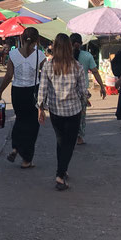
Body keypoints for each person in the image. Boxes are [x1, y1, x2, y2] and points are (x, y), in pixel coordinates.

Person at [38, 33, 89, 191]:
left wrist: (40, 108)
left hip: (55, 111)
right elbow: (82, 90)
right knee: (69, 144)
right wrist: (86, 97)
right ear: (69, 47)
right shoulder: (77, 66)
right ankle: (60, 176)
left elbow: (43, 89)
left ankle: (62, 170)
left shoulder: (47, 66)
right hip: (73, 111)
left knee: (61, 142)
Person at [0, 27, 45, 169]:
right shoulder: (40, 55)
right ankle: (26, 159)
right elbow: (46, 76)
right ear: (37, 41)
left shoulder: (13, 54)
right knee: (32, 126)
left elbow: (9, 76)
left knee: (20, 120)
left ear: (21, 39)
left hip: (17, 93)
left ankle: (16, 147)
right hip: (33, 92)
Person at [70, 33, 106, 145]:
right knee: (81, 115)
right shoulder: (87, 56)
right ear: (81, 44)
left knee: (68, 114)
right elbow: (95, 71)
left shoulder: (64, 57)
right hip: (82, 91)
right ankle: (79, 137)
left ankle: (69, 136)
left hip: (67, 90)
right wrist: (102, 86)